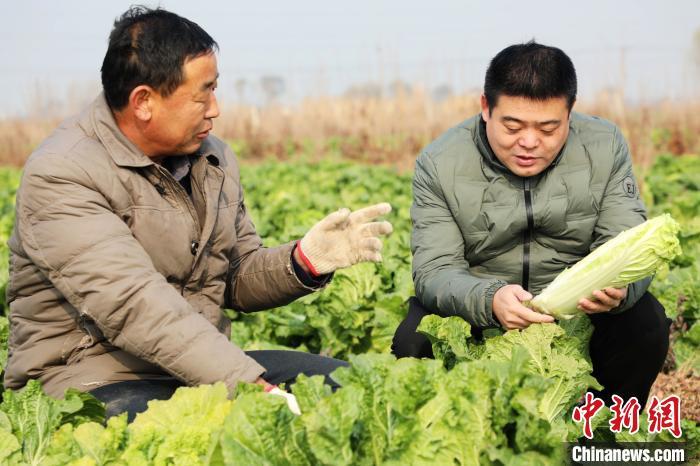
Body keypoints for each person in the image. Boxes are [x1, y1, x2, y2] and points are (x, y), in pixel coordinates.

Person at [3, 6, 392, 421]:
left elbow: (234, 276)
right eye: (202, 93)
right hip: (89, 379)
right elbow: (134, 305)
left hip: (191, 370)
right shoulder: (63, 173)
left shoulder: (213, 159)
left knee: (349, 386)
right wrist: (247, 386)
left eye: (215, 88)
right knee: (225, 425)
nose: (215, 108)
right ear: (144, 102)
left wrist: (304, 261)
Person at [392, 41, 669, 407]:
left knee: (645, 323)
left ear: (570, 114)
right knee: (413, 339)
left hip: (576, 311)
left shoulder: (605, 145)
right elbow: (435, 270)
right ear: (486, 108)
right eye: (513, 125)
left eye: (548, 128)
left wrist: (619, 288)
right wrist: (489, 299)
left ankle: (598, 437)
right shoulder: (440, 162)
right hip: (483, 308)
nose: (528, 142)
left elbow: (626, 238)